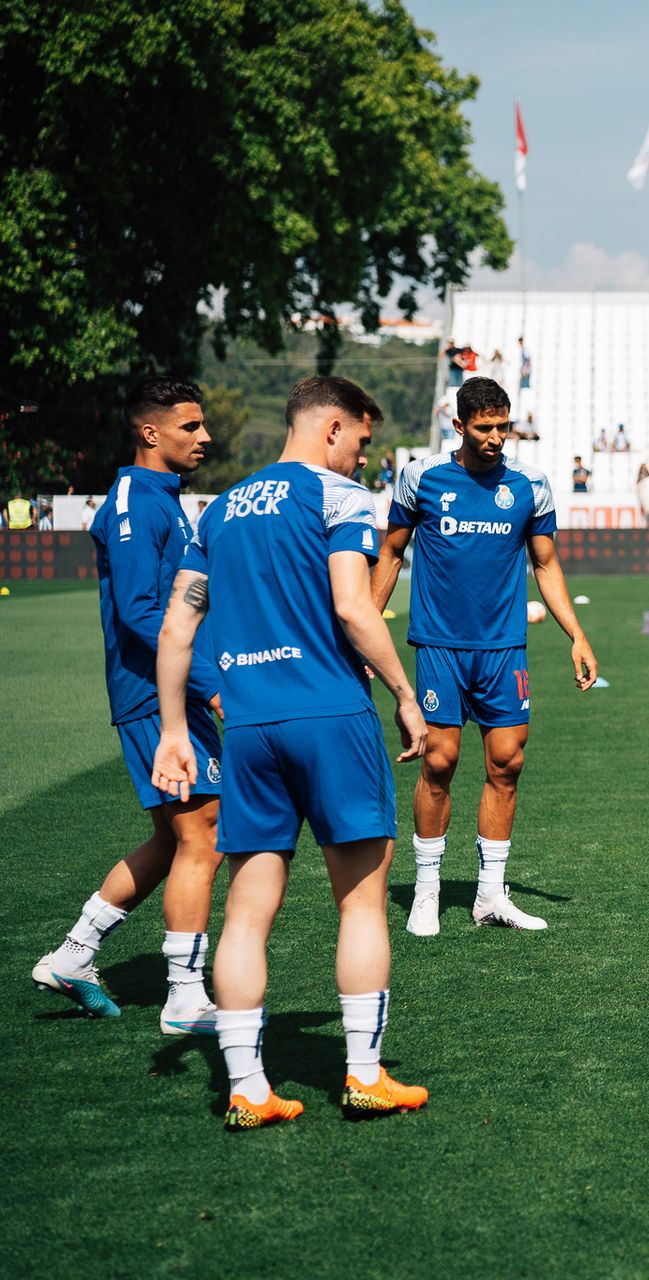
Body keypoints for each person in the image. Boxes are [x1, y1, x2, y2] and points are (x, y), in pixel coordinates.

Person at [150, 374, 430, 1131]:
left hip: (246, 725)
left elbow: (178, 629)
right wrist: (405, 693)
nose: (363, 462)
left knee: (245, 910)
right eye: (363, 444)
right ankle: (365, 1076)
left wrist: (174, 730)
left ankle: (245, 1087)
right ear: (332, 427)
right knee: (362, 899)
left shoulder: (218, 510)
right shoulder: (336, 500)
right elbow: (352, 605)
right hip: (330, 713)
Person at [31, 378, 225, 1031]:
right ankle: (183, 995)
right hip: (154, 695)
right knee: (206, 833)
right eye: (190, 427)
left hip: (165, 691)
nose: (205, 438)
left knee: (176, 840)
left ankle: (74, 954)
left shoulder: (158, 500)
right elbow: (143, 613)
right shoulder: (137, 506)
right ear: (151, 432)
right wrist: (210, 683)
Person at [374, 376, 598, 937]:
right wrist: (366, 629)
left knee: (507, 764)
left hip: (504, 650)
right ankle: (426, 892)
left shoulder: (530, 484)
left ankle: (490, 895)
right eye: (484, 428)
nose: (497, 438)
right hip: (440, 646)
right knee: (439, 762)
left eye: (503, 427)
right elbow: (392, 552)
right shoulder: (421, 477)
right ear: (459, 426)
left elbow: (545, 565)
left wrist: (577, 634)